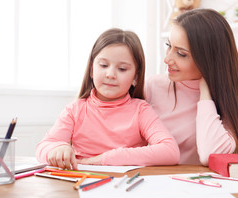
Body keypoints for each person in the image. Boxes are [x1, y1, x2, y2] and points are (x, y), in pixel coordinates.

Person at [36, 28, 180, 169]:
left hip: (125, 186)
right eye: (104, 65)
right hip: (81, 182)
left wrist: (107, 158)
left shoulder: (141, 110)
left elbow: (170, 151)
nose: (110, 74)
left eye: (122, 69)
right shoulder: (74, 110)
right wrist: (58, 148)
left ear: (135, 76)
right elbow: (42, 148)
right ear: (92, 69)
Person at [145, 8, 238, 166]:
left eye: (181, 54)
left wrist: (205, 92)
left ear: (208, 59)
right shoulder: (152, 87)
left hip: (204, 188)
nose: (167, 59)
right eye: (169, 46)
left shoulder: (232, 102)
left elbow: (210, 155)